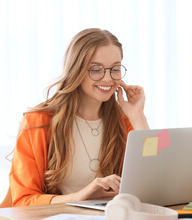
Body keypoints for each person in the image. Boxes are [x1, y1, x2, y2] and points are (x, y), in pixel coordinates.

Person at [8, 28, 149, 207]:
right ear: (76, 70)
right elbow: (23, 201)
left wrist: (138, 116)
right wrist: (81, 196)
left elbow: (155, 176)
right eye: (96, 69)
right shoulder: (37, 122)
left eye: (115, 69)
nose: (107, 78)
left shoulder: (124, 120)